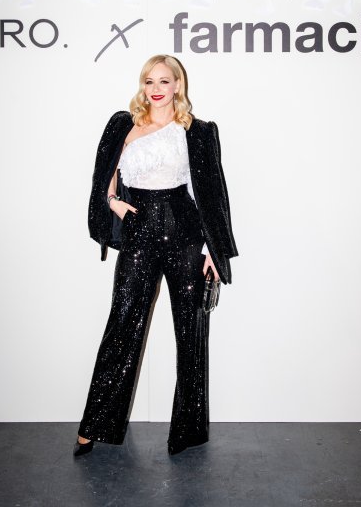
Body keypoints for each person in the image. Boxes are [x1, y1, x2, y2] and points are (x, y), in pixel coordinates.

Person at [74, 54, 238, 457]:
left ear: (178, 85)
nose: (157, 88)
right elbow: (104, 176)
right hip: (140, 232)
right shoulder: (122, 125)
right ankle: (94, 425)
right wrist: (113, 202)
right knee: (122, 323)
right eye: (150, 81)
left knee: (190, 329)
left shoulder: (198, 131)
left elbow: (211, 193)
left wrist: (213, 251)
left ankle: (188, 430)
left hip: (186, 234)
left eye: (165, 80)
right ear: (142, 86)